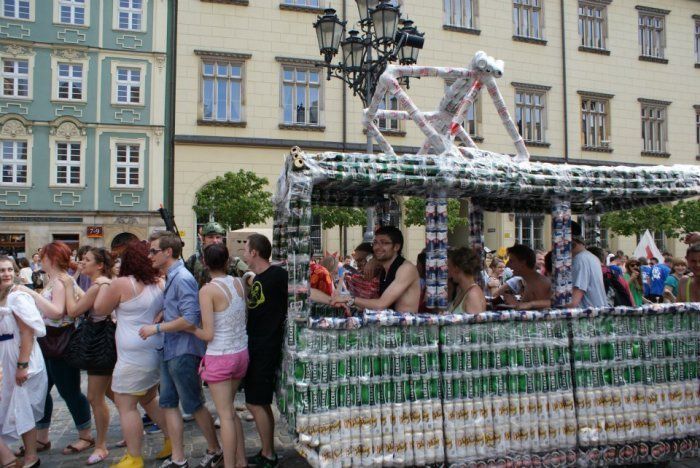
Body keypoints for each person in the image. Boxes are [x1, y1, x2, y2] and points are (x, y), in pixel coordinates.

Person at [141, 232, 222, 468]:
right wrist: (165, 312)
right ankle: (178, 459)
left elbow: (190, 319)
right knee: (168, 403)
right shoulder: (173, 276)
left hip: (184, 351)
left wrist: (156, 328)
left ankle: (215, 450)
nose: (150, 255)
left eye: (154, 251)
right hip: (170, 348)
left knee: (194, 404)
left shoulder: (182, 277)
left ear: (168, 252)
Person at [94, 240, 171, 468]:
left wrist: (103, 284)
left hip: (132, 355)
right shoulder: (160, 282)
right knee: (148, 399)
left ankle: (134, 456)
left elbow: (100, 310)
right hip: (153, 349)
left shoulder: (122, 283)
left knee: (126, 405)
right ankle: (171, 441)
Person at [18, 242, 93, 457]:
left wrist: (32, 294)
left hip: (60, 341)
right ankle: (42, 438)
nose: (40, 259)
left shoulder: (60, 281)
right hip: (49, 341)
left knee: (68, 390)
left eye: (42, 256)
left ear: (51, 259)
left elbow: (57, 312)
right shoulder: (56, 279)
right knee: (43, 390)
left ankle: (86, 436)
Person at [60, 248, 116, 465]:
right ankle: (134, 428)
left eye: (87, 260)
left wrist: (68, 286)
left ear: (99, 265)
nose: (82, 262)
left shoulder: (98, 285)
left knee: (94, 396)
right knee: (111, 393)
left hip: (99, 345)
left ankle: (101, 445)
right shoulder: (104, 282)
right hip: (105, 343)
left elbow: (73, 311)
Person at [193, 244, 248, 468]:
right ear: (227, 261)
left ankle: (231, 465)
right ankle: (241, 461)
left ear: (204, 263)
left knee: (225, 415)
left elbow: (207, 334)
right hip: (240, 353)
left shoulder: (207, 290)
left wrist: (189, 328)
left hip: (220, 356)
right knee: (230, 411)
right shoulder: (238, 282)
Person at [241, 234, 288, 468]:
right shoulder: (258, 277)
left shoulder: (278, 275)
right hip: (256, 345)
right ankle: (267, 450)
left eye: (245, 248)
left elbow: (301, 291)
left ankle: (269, 455)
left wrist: (331, 299)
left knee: (254, 403)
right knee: (260, 402)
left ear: (254, 252)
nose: (243, 253)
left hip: (266, 346)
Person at [0, 256, 47, 468]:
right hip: (5, 355)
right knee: (9, 405)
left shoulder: (17, 297)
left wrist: (22, 365)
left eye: (10, 269)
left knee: (22, 406)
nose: (7, 274)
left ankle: (31, 456)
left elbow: (27, 333)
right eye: (2, 270)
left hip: (19, 354)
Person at [334, 227, 420, 313]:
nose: (377, 247)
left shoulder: (406, 269)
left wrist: (349, 299)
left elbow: (381, 304)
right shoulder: (383, 268)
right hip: (387, 320)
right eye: (375, 242)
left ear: (396, 247)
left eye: (384, 243)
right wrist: (373, 260)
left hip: (405, 321)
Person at [185, 222, 247, 289]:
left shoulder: (232, 261)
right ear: (203, 239)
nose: (215, 240)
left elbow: (249, 275)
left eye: (218, 237)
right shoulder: (193, 260)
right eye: (210, 237)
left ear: (222, 239)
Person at [496, 244, 552, 310]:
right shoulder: (530, 281)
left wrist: (529, 304)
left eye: (511, 261)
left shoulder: (541, 283)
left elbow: (554, 303)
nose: (507, 265)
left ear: (523, 262)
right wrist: (515, 304)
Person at [565, 222, 607, 309]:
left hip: (588, 316)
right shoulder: (591, 257)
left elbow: (573, 302)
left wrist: (545, 302)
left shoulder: (580, 260)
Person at [446, 247, 486, 314]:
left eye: (449, 266)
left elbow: (475, 320)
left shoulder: (473, 295)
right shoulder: (461, 290)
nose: (448, 270)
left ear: (456, 268)